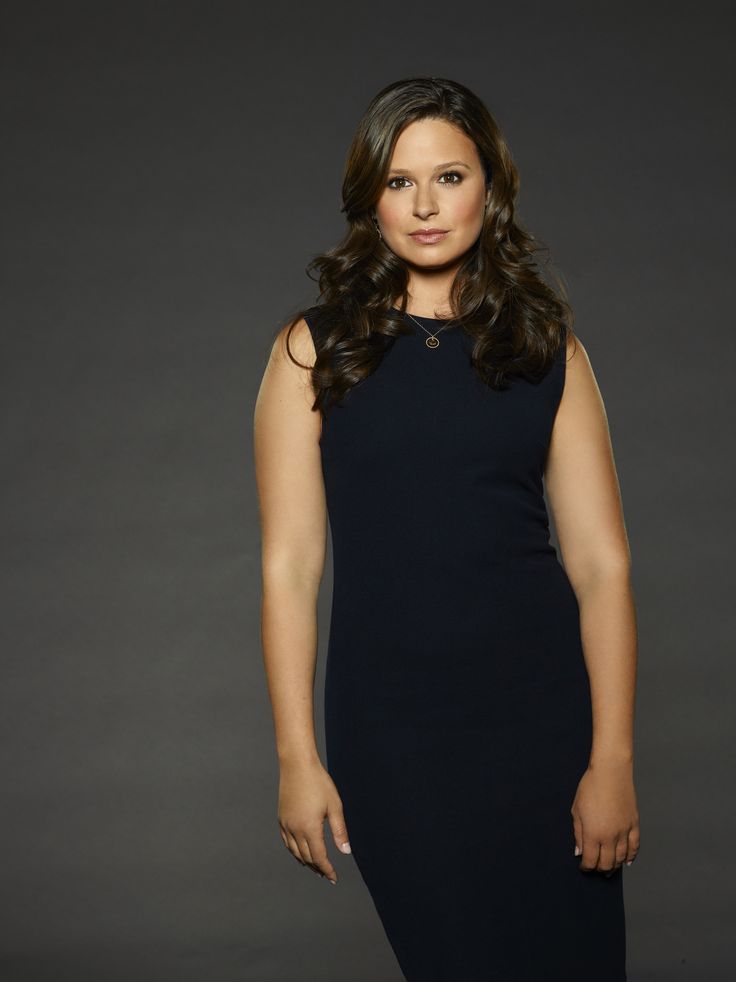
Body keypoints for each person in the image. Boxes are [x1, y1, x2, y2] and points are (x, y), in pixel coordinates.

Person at [253, 75, 639, 981]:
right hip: (393, 737)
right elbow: (290, 567)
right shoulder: (316, 350)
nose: (425, 205)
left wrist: (612, 760)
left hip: (542, 727)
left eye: (449, 177)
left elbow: (601, 568)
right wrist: (296, 759)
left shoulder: (547, 348)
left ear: (489, 188)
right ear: (372, 199)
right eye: (399, 181)